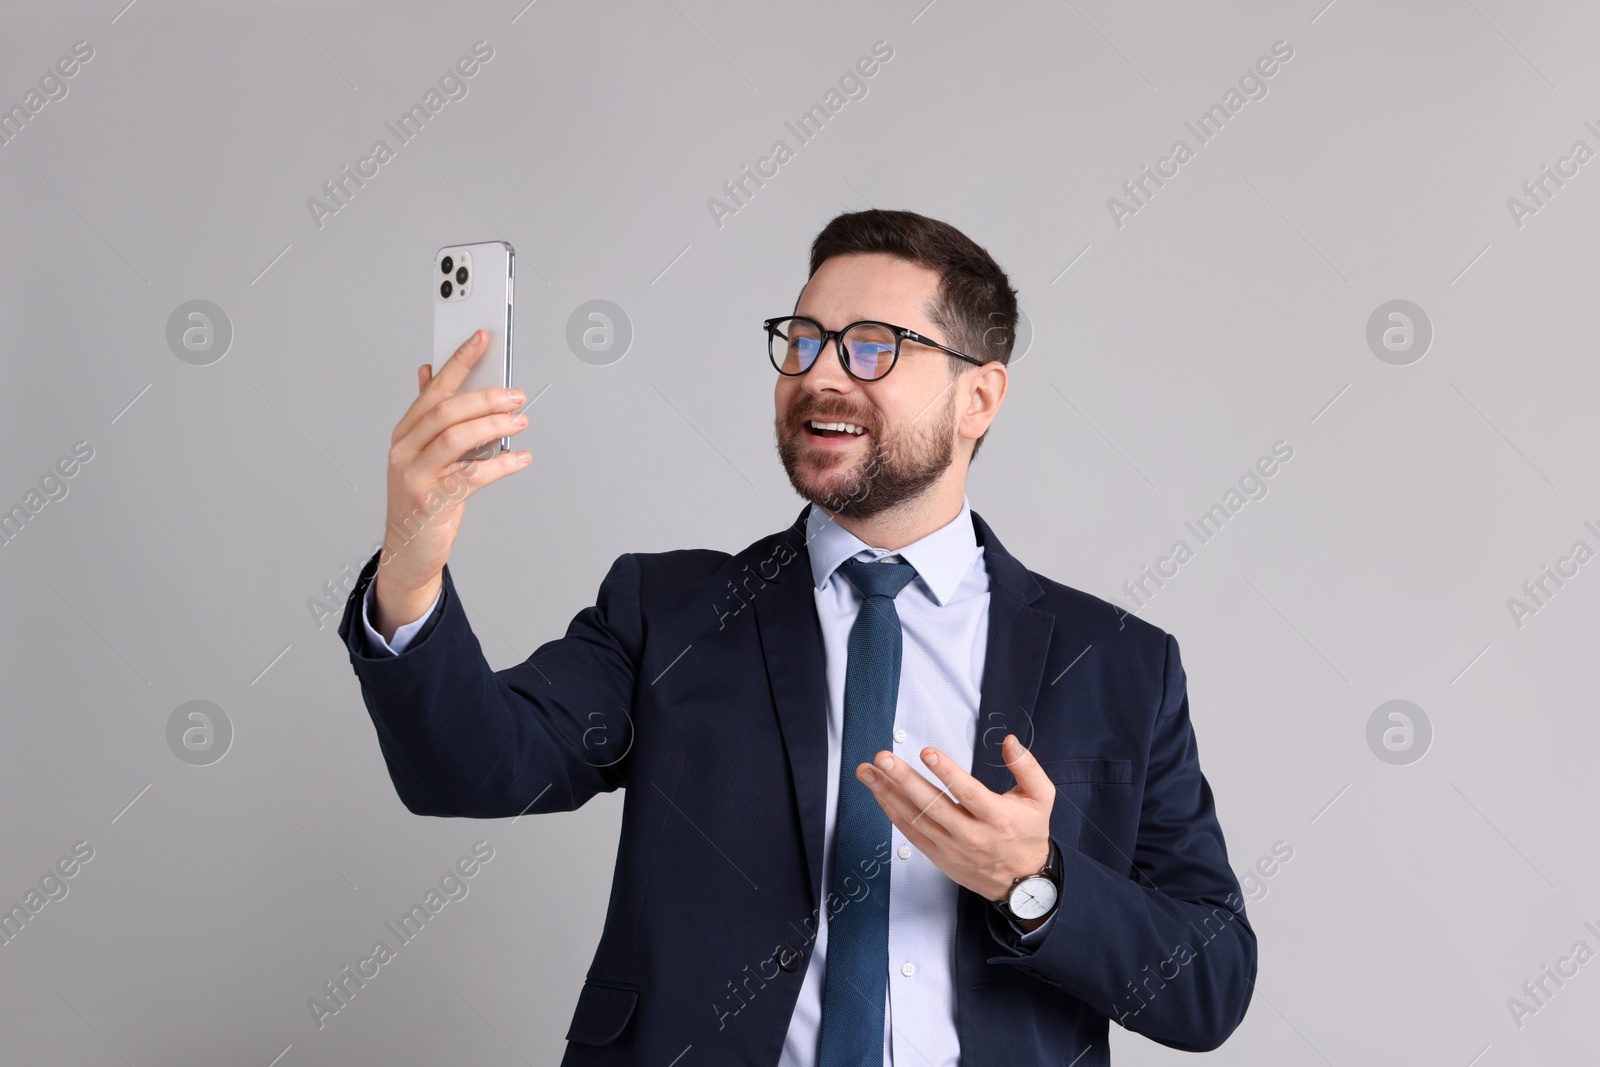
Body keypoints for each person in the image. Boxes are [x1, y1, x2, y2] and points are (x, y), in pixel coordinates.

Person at [337, 209, 1256, 1065]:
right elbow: (467, 765)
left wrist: (1034, 879)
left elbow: (1208, 984)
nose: (819, 373)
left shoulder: (1121, 663)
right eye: (804, 340)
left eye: (872, 348)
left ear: (978, 397)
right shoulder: (670, 611)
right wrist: (410, 565)